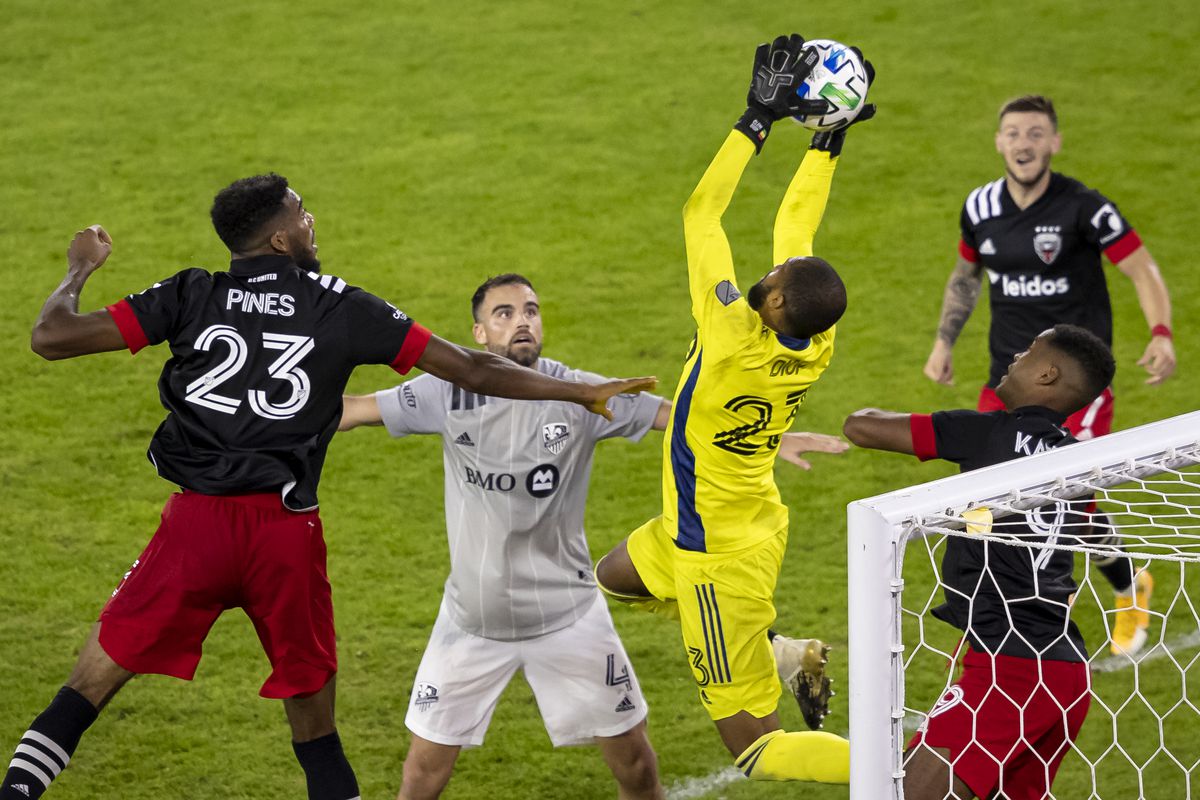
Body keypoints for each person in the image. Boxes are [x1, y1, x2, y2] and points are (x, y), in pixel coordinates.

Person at [7, 175, 652, 800]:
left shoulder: (189, 293)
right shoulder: (341, 306)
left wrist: (78, 267)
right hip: (284, 536)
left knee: (88, 684)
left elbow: (52, 337)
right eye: (301, 212)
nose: (310, 220)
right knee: (316, 733)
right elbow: (472, 370)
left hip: (194, 529)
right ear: (283, 240)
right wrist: (578, 390)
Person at [338, 273, 847, 799]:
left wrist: (770, 437)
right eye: (504, 313)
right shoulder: (447, 392)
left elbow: (679, 418)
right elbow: (353, 411)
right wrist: (266, 413)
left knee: (636, 766)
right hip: (471, 624)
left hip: (570, 618)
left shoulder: (580, 393)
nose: (522, 322)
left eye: (531, 310)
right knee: (422, 774)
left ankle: (769, 649)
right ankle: (773, 651)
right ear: (479, 334)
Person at [593, 34, 873, 784]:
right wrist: (826, 140)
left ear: (776, 301)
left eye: (777, 274)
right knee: (612, 577)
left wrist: (757, 118)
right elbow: (798, 232)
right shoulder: (815, 337)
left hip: (715, 558)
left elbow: (702, 213)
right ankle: (787, 653)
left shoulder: (728, 336)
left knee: (752, 745)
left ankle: (909, 769)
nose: (772, 263)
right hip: (743, 514)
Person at [921, 94, 1172, 655]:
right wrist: (943, 342)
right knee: (988, 492)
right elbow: (966, 277)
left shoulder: (1084, 208)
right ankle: (996, 605)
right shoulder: (981, 207)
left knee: (1068, 496)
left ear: (1054, 142)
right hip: (1007, 380)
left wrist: (1161, 333)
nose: (1023, 144)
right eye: (1013, 133)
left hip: (1075, 389)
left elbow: (1142, 267)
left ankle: (1128, 586)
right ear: (998, 142)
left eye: (1035, 133)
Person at [847, 323, 1117, 800]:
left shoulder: (986, 433)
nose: (1016, 355)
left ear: (1048, 374)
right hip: (1064, 674)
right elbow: (1097, 536)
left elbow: (860, 425)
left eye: (1030, 350)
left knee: (899, 793)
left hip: (1010, 673)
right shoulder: (1078, 465)